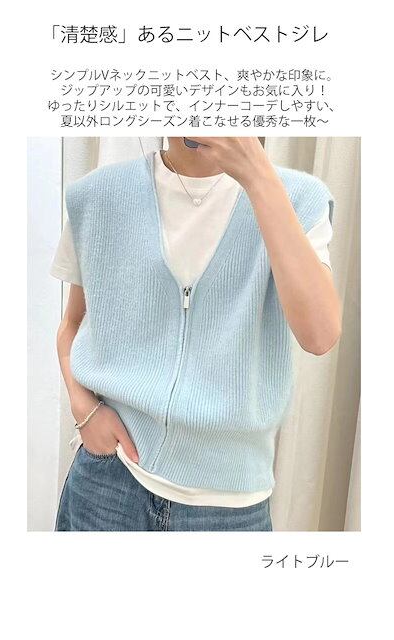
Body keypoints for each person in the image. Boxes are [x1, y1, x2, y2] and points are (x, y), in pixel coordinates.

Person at [50, 136, 342, 531]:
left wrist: (257, 175)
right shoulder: (98, 195)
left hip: (231, 507)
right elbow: (72, 324)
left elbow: (320, 335)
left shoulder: (299, 199)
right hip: (109, 481)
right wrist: (83, 409)